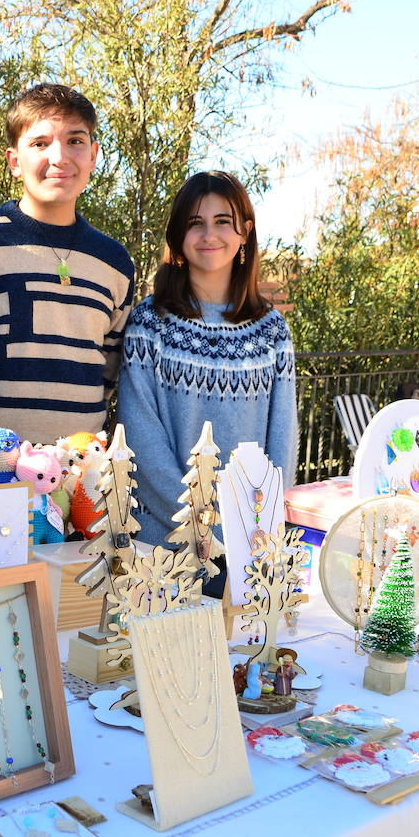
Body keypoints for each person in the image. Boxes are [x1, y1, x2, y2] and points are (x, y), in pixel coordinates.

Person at [0, 83, 135, 542]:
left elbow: (106, 380)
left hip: (78, 506)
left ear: (94, 155)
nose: (60, 156)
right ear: (14, 160)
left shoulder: (116, 264)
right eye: (40, 142)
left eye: (75, 140)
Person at [117, 170, 296, 552]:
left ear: (244, 231)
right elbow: (141, 439)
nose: (209, 235)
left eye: (222, 222)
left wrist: (262, 528)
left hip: (249, 544)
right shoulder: (150, 323)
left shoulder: (272, 330)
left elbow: (281, 441)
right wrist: (203, 529)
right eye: (195, 223)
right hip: (163, 545)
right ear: (179, 236)